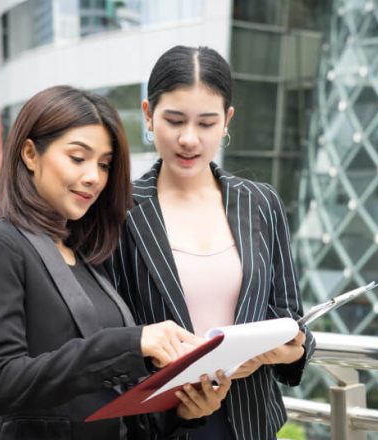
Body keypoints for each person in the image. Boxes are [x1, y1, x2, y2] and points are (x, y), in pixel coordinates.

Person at [0, 85, 231, 440]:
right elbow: (1, 383)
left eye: (104, 164)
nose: (94, 177)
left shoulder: (87, 255)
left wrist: (184, 411)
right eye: (78, 158)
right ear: (30, 153)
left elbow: (106, 403)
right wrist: (130, 343)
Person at [109, 46, 316, 440]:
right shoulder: (120, 210)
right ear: (148, 114)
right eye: (174, 120)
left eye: (206, 123)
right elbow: (109, 336)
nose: (189, 139)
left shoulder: (260, 202)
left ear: (226, 121)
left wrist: (288, 350)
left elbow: (291, 318)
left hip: (250, 422)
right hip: (162, 426)